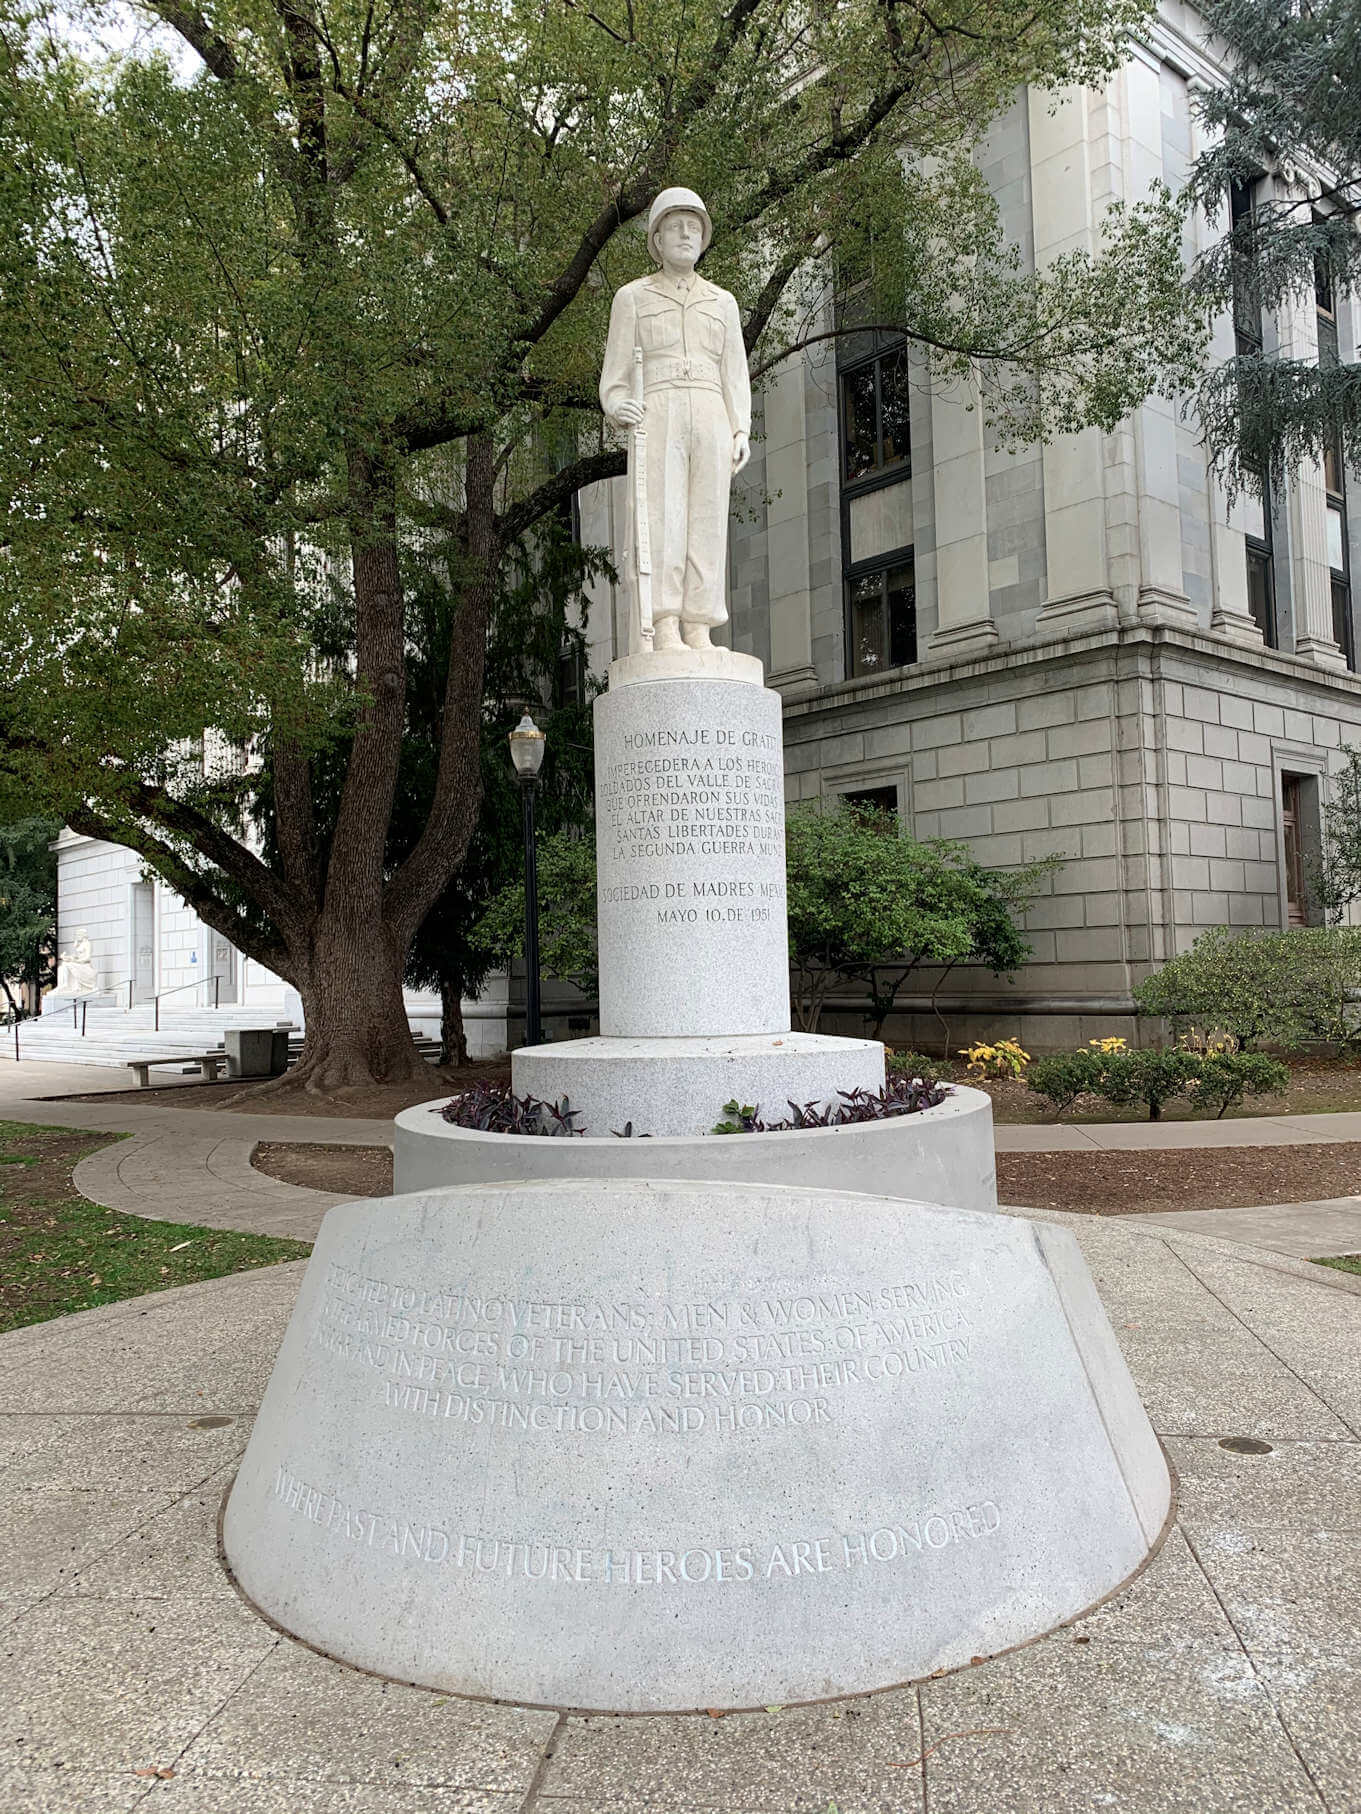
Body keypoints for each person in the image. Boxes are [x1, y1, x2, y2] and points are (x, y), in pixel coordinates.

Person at [599, 188, 751, 652]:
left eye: (693, 228)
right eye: (674, 227)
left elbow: (735, 373)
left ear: (703, 239)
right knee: (663, 517)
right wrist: (617, 403)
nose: (685, 235)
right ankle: (663, 622)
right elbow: (614, 376)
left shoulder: (723, 303)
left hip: (710, 412)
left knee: (705, 520)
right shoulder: (632, 298)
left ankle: (699, 626)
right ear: (657, 240)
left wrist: (741, 427)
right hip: (658, 410)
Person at [52, 929, 98, 997]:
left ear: (83, 935)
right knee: (62, 966)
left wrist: (75, 961)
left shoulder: (88, 944)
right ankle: (63, 985)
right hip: (79, 963)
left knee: (66, 965)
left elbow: (87, 958)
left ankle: (66, 985)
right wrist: (67, 957)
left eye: (78, 935)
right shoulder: (81, 944)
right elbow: (77, 956)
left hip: (84, 965)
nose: (77, 936)